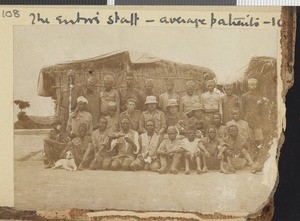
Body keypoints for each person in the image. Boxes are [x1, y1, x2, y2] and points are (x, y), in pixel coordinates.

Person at [241, 78, 267, 144]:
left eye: (254, 85)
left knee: (258, 139)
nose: (253, 86)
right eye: (251, 84)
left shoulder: (260, 96)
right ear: (248, 85)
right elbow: (242, 109)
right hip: (247, 119)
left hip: (257, 120)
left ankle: (258, 152)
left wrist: (263, 121)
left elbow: (262, 111)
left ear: (257, 85)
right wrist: (243, 119)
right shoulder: (244, 96)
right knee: (248, 138)